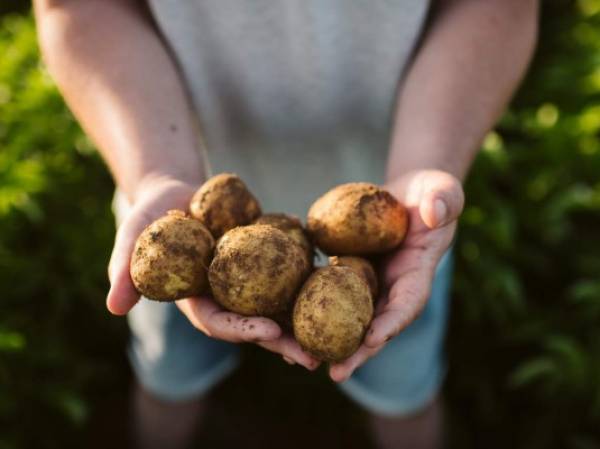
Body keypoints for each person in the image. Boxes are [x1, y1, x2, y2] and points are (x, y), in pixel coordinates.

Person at [34, 0, 538, 447]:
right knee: (167, 374)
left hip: (405, 216)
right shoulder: (189, 227)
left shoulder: (392, 236)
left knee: (405, 386)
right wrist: (155, 171)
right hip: (176, 188)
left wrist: (428, 158)